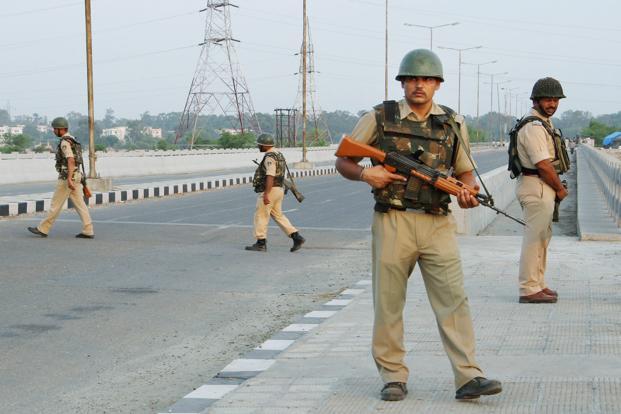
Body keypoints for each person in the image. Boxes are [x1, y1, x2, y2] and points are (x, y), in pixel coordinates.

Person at [335, 49, 501, 401]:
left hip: (438, 222)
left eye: (426, 79)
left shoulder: (452, 122)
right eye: (412, 79)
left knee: (453, 300)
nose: (418, 85)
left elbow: (465, 171)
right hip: (393, 219)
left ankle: (468, 376)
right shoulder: (380, 117)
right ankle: (393, 376)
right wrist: (367, 172)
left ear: (437, 84)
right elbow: (344, 159)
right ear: (403, 83)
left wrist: (468, 191)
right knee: (389, 302)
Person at [513, 77, 569, 303]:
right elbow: (543, 165)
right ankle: (528, 288)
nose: (552, 104)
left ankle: (538, 283)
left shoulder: (543, 123)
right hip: (536, 185)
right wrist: (560, 189)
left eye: (555, 100)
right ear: (536, 100)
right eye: (547, 99)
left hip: (541, 185)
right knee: (534, 239)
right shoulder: (534, 127)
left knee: (543, 238)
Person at [27, 117, 94, 239]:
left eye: (55, 129)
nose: (54, 131)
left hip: (67, 176)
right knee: (80, 204)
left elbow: (71, 159)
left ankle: (43, 228)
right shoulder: (73, 139)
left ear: (61, 129)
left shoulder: (65, 142)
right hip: (77, 175)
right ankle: (88, 229)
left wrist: (69, 178)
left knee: (55, 204)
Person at [245, 133, 305, 252]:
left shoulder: (270, 157)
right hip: (279, 189)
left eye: (260, 145)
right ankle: (296, 236)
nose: (259, 147)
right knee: (278, 215)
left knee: (261, 215)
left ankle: (261, 242)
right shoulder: (279, 154)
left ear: (265, 145)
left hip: (271, 190)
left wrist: (266, 194)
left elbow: (270, 175)